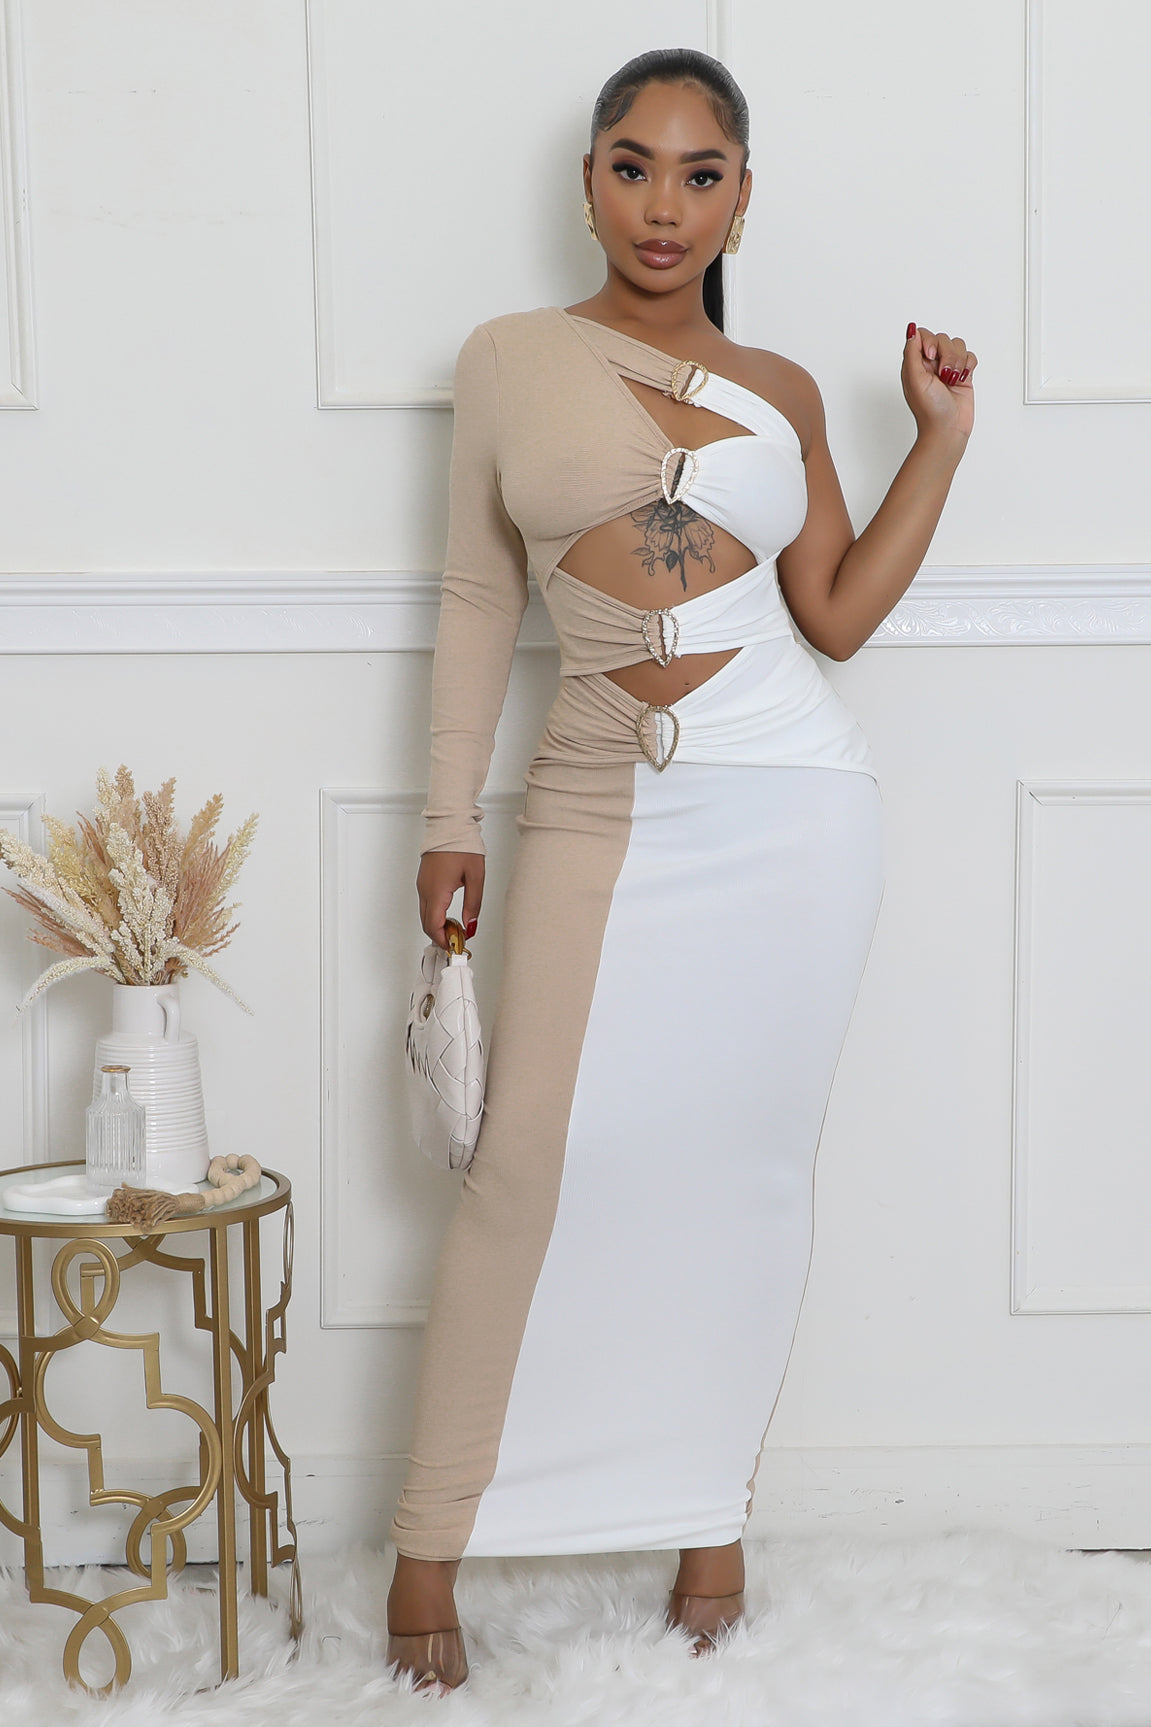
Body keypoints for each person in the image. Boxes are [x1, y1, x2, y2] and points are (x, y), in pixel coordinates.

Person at [384, 46, 976, 1696]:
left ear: (741, 198)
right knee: (522, 1169)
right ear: (588, 182)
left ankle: (709, 1523)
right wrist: (446, 821)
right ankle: (426, 1554)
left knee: (746, 1172)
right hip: (592, 796)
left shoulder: (783, 390)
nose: (665, 205)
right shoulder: (508, 359)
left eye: (701, 174)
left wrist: (941, 439)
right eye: (633, 167)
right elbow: (475, 600)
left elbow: (835, 615)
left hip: (794, 807)